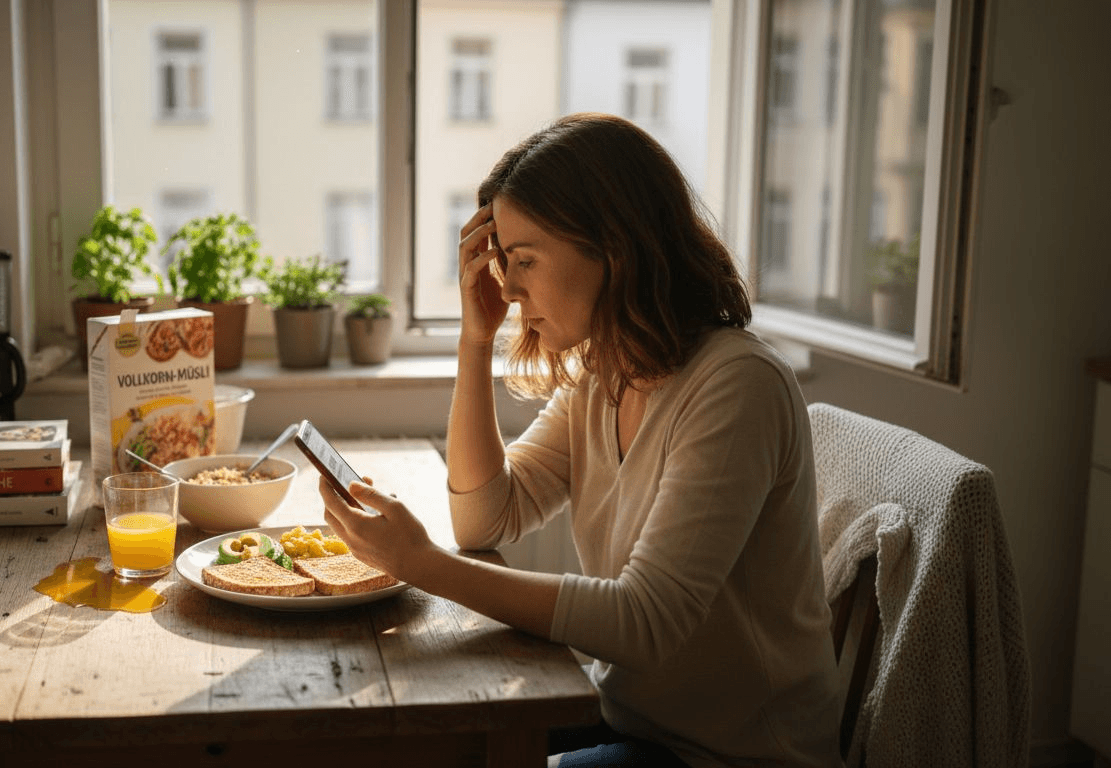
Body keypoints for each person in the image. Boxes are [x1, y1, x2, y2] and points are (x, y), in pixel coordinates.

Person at [319, 113, 842, 768]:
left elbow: (646, 621)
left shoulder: (737, 386)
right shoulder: (605, 373)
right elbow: (486, 517)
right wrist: (474, 341)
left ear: (613, 248)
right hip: (631, 718)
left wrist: (422, 565)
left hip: (728, 756)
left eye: (526, 261)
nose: (507, 289)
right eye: (504, 263)